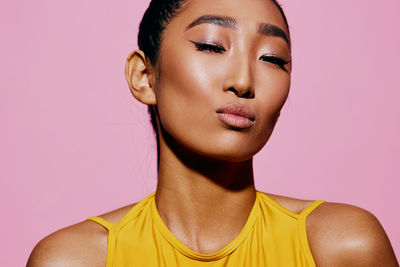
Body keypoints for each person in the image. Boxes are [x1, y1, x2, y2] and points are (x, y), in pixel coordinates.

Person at [27, 0, 399, 266]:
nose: (243, 81)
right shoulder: (77, 259)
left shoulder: (341, 246)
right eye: (210, 45)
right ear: (144, 76)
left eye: (272, 58)